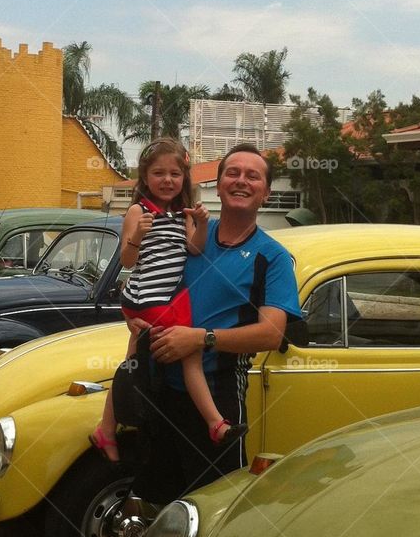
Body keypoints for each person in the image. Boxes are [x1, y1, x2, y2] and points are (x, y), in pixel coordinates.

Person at [128, 143, 303, 508]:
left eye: (252, 176)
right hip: (159, 385)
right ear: (218, 185)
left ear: (266, 193)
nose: (241, 181)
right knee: (154, 501)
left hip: (216, 395)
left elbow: (271, 333)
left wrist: (199, 339)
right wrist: (136, 320)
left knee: (215, 506)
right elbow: (142, 279)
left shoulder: (272, 258)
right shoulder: (188, 238)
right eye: (232, 173)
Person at [90, 138, 246, 461]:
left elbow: (195, 248)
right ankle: (215, 423)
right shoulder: (138, 211)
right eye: (159, 173)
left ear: (184, 178)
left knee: (132, 362)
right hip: (149, 296)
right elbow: (128, 261)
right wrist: (137, 235)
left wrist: (201, 224)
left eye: (175, 174)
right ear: (145, 178)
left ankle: (105, 429)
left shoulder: (183, 212)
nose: (167, 180)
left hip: (159, 299)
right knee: (190, 357)